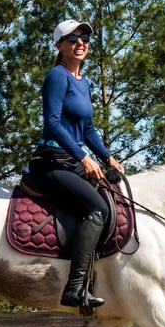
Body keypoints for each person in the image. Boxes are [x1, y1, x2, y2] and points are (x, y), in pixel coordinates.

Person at [27, 19, 125, 310]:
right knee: (98, 209)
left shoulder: (84, 83)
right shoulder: (57, 77)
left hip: (73, 161)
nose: (80, 42)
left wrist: (107, 157)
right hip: (51, 162)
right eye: (72, 39)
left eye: (85, 38)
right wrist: (84, 157)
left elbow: (88, 129)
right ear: (59, 45)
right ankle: (75, 289)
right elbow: (53, 123)